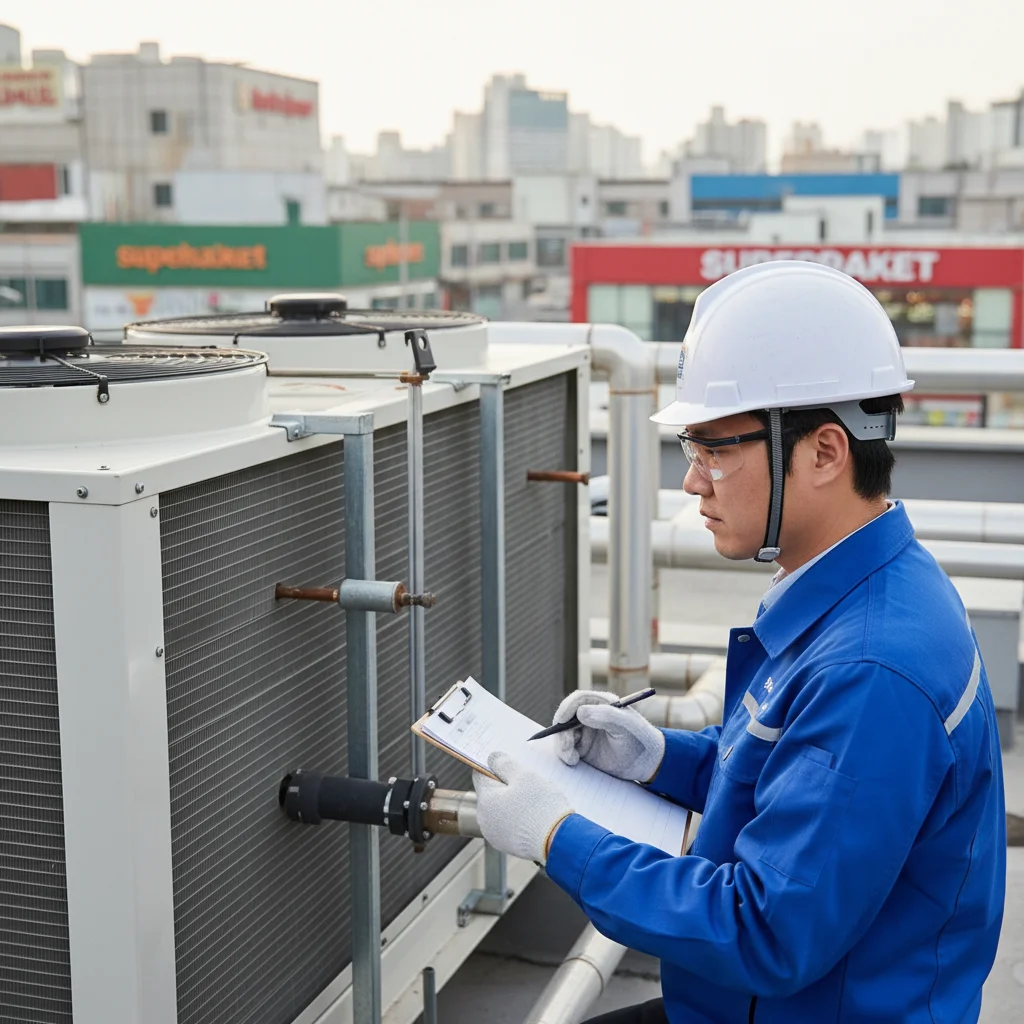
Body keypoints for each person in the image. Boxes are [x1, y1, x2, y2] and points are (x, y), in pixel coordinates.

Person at [472, 261, 1006, 1023]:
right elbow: (790, 771)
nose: (694, 482)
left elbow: (765, 929)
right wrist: (661, 759)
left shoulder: (872, 668)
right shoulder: (861, 589)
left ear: (825, 452)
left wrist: (557, 838)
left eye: (717, 449)